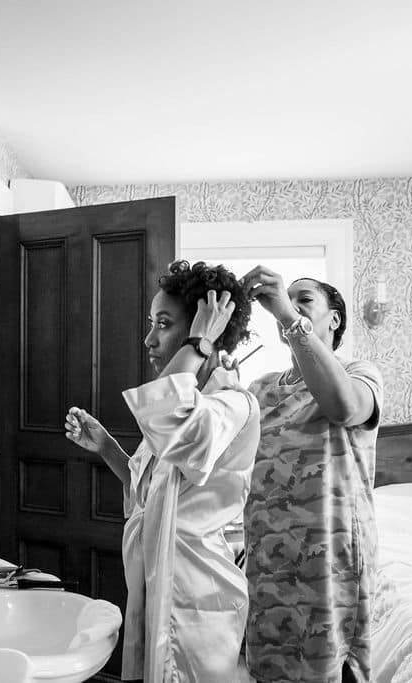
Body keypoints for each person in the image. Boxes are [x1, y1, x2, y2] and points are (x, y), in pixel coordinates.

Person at [64, 260, 260, 682]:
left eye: (164, 324)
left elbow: (167, 412)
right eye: (152, 323)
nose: (149, 339)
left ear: (202, 332)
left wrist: (199, 342)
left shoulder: (232, 406)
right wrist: (107, 448)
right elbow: (151, 492)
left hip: (196, 597)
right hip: (157, 583)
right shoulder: (188, 399)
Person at [239, 266, 384, 683]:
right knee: (267, 665)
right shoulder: (261, 388)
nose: (294, 304)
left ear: (333, 319)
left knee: (328, 666)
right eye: (291, 298)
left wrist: (288, 318)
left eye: (306, 299)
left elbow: (343, 407)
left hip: (328, 557)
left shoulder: (359, 371)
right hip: (267, 557)